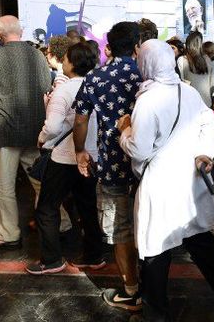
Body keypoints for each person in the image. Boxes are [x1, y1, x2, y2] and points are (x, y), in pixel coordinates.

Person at [117, 39, 214, 321]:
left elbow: (139, 150)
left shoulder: (147, 100)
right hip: (188, 178)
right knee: (197, 237)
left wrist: (125, 131)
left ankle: (155, 314)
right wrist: (203, 151)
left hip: (160, 182)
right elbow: (210, 121)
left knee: (155, 249)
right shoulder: (186, 91)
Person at [73, 21, 142, 311]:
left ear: (108, 47)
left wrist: (79, 151)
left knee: (121, 228)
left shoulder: (95, 77)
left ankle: (130, 290)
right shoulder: (146, 75)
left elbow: (80, 119)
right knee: (149, 224)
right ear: (137, 46)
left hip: (113, 163)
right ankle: (153, 287)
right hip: (146, 163)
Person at [26, 43, 105, 275]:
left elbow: (52, 127)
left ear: (71, 63)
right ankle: (94, 255)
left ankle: (51, 260)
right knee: (87, 206)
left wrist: (41, 138)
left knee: (47, 208)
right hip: (91, 156)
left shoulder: (64, 89)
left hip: (64, 158)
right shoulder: (98, 86)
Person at [0, 15, 53, 248]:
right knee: (39, 179)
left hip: (7, 128)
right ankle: (60, 222)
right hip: (35, 127)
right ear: (21, 31)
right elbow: (46, 87)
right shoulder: (37, 55)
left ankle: (10, 234)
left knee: (4, 186)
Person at [177, 31, 214, 107]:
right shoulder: (207, 59)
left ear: (187, 43)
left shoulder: (182, 60)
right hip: (206, 102)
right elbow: (212, 84)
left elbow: (182, 82)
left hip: (190, 103)